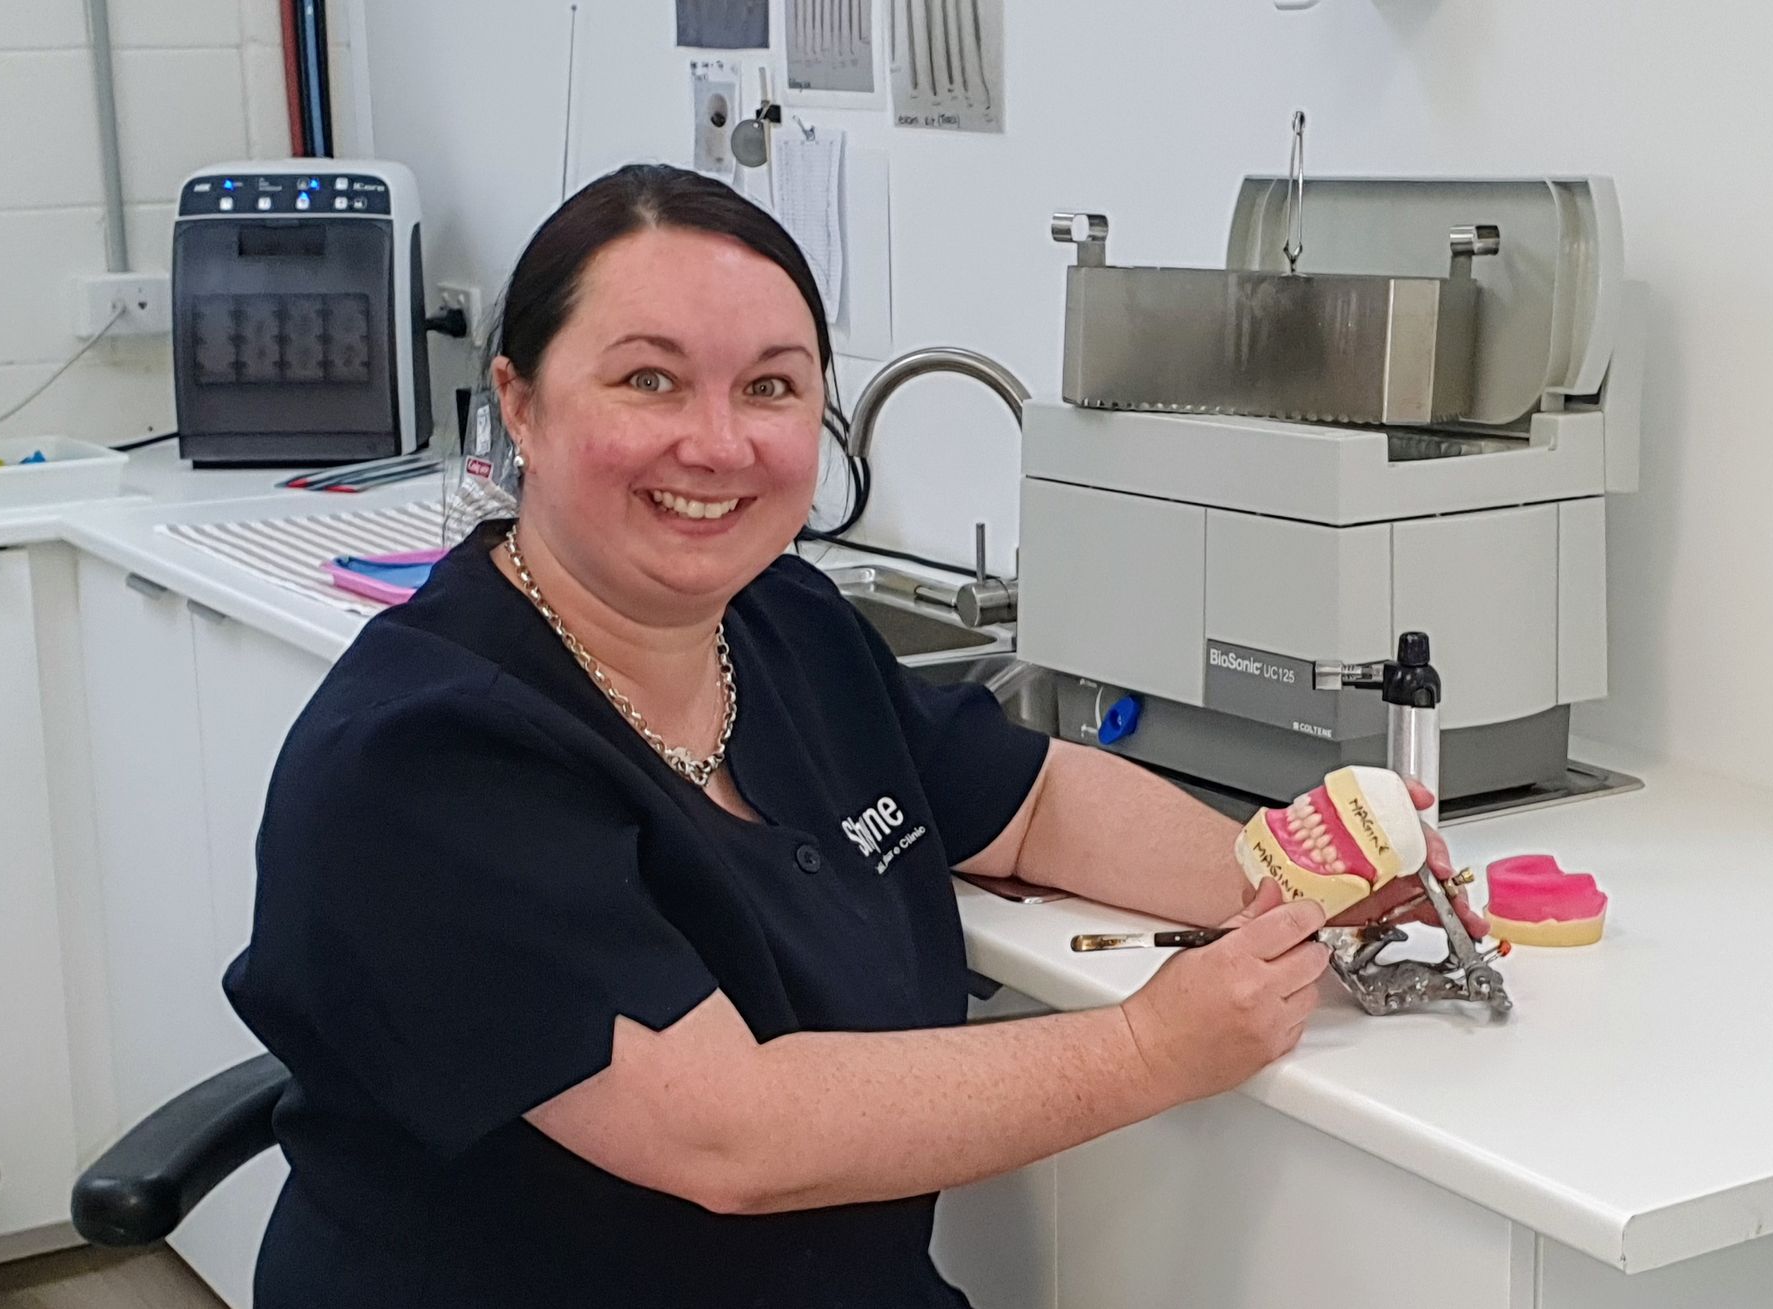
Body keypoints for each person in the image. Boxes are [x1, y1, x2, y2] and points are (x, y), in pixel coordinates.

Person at [225, 163, 1466, 1308]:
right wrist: (1151, 1045)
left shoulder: (784, 624)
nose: (718, 443)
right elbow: (730, 1134)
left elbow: (1031, 802)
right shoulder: (426, 754)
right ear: (522, 404)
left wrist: (1291, 879)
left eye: (770, 387)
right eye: (649, 379)